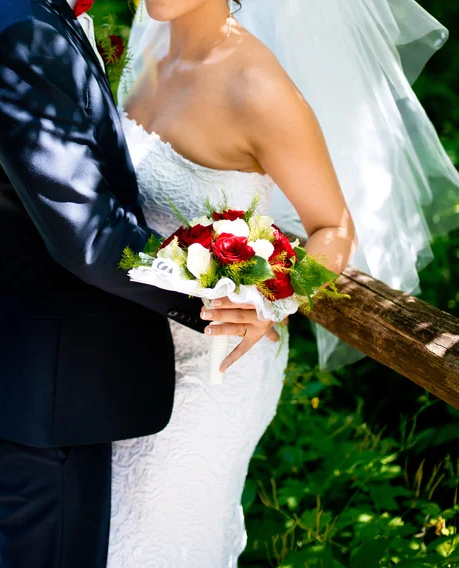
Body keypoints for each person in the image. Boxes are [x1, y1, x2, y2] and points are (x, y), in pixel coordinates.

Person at [109, 0, 457, 565]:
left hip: (211, 372)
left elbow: (333, 226)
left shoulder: (256, 85)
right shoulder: (149, 47)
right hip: (120, 357)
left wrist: (273, 300)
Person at [0, 0, 278, 566]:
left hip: (14, 366)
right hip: (46, 388)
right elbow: (90, 238)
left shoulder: (1, 9)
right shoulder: (25, 36)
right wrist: (217, 298)